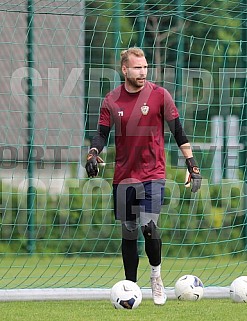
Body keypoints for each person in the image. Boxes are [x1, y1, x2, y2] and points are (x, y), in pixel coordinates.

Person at [85, 47, 202, 305]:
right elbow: (102, 133)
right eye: (137, 67)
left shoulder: (160, 95)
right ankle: (130, 286)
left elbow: (178, 131)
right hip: (124, 176)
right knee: (128, 231)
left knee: (149, 227)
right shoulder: (111, 100)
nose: (143, 72)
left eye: (145, 67)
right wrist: (93, 152)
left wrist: (191, 163)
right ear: (124, 70)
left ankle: (156, 276)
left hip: (153, 174)